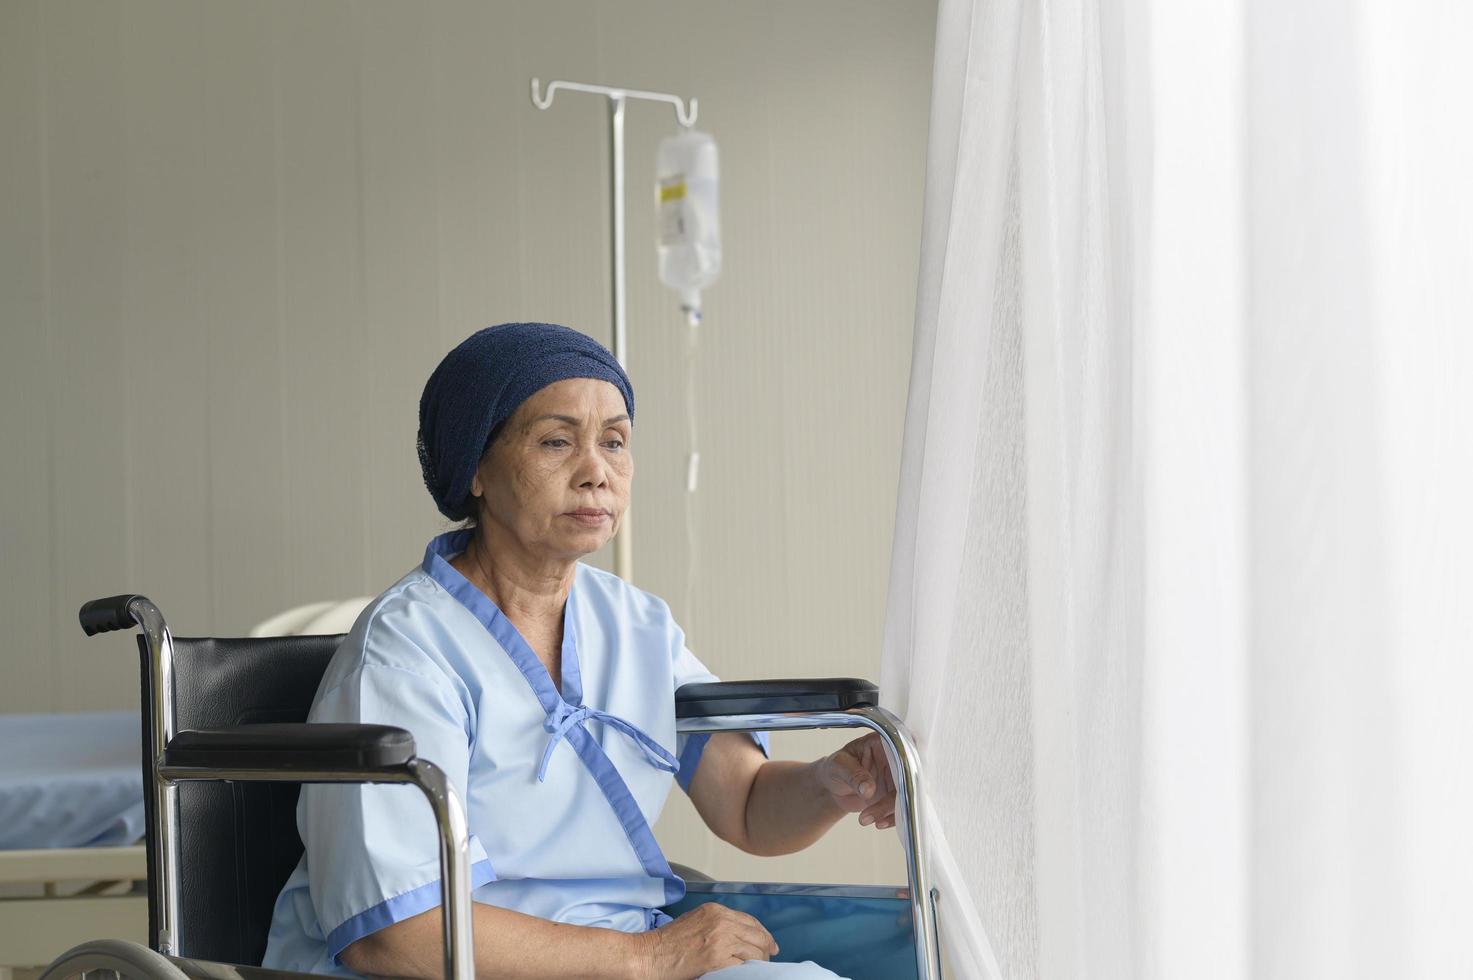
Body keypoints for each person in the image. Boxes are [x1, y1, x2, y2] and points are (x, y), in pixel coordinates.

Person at [262, 323, 899, 979]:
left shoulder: (637, 624)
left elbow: (745, 805)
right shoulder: (404, 653)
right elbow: (395, 933)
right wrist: (647, 957)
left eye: (615, 442)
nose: (597, 472)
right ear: (475, 466)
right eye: (555, 442)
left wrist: (831, 784)